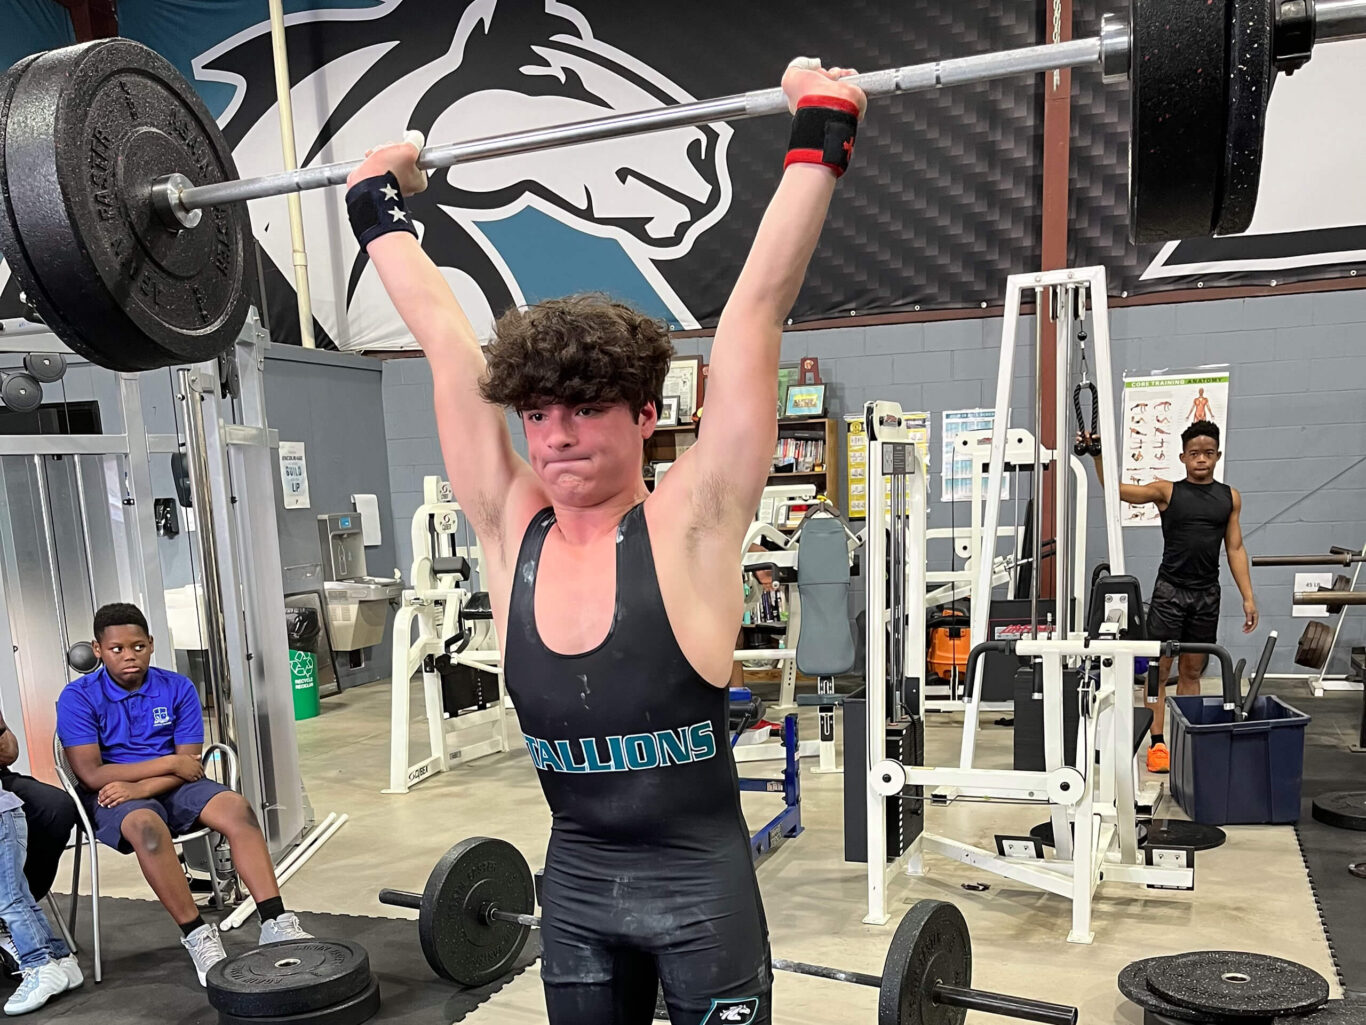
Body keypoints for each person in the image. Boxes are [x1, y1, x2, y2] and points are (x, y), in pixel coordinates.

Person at [349, 60, 866, 1025]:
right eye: (537, 413)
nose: (553, 436)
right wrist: (378, 201)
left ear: (641, 414)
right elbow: (444, 341)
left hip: (703, 894)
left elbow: (754, 311)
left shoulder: (694, 518)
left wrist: (822, 127)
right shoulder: (510, 528)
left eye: (584, 410)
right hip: (577, 891)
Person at [55, 604, 312, 986]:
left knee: (237, 809)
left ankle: (274, 920)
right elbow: (92, 773)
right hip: (112, 795)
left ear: (152, 644)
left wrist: (145, 783)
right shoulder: (78, 697)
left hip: (167, 786)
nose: (129, 656)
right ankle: (197, 935)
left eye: (139, 647)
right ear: (97, 649)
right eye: (117, 649)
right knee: (146, 827)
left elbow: (190, 764)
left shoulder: (177, 687)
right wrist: (168, 767)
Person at [1085, 420, 1256, 773]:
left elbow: (1235, 547)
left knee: (1192, 670)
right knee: (1158, 672)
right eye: (1195, 453)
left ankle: (1186, 738)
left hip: (1207, 594)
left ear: (1217, 455)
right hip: (1169, 593)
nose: (1201, 459)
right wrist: (1099, 455)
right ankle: (1158, 743)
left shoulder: (1230, 497)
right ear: (1183, 457)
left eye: (1208, 453)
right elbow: (1114, 489)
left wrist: (1248, 597)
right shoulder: (1167, 492)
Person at [0, 783, 80, 1014]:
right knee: (20, 897)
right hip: (9, 815)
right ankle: (60, 960)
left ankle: (38, 965)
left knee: (9, 902)